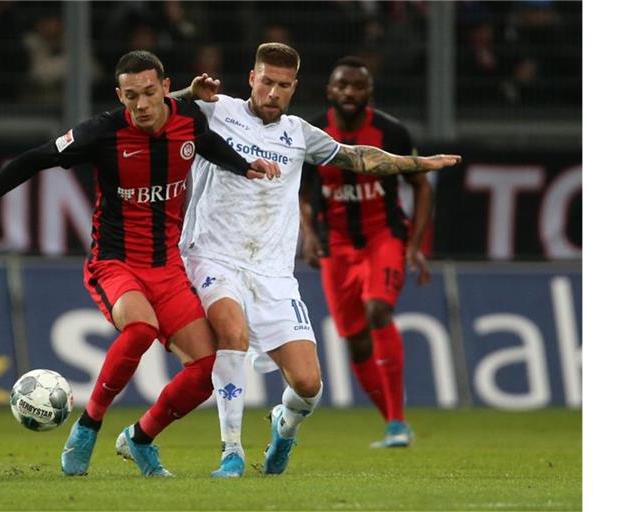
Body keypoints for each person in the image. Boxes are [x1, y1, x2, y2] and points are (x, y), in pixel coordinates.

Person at [0, 50, 279, 478]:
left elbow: (209, 145)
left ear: (164, 87)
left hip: (168, 268)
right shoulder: (101, 133)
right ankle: (87, 428)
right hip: (115, 263)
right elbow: (34, 159)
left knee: (203, 369)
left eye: (150, 93)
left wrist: (245, 166)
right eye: (132, 96)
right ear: (120, 96)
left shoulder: (188, 118)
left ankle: (140, 439)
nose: (141, 105)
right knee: (141, 329)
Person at [173, 42, 460, 477]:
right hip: (214, 256)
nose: (273, 93)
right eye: (266, 82)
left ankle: (282, 428)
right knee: (231, 333)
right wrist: (188, 95)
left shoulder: (299, 133)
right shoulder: (216, 110)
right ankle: (230, 450)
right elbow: (150, 110)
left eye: (283, 86)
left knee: (308, 386)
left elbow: (360, 157)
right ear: (252, 78)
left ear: (294, 87)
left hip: (272, 273)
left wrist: (416, 163)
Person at [300, 56, 432, 448]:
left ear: (369, 93)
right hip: (335, 244)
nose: (350, 93)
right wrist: (308, 234)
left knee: (378, 309)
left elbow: (422, 185)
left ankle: (397, 423)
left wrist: (416, 245)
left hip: (383, 236)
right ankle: (390, 423)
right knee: (356, 340)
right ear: (330, 91)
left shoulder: (390, 131)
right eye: (343, 86)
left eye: (357, 87)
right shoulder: (312, 134)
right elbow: (304, 195)